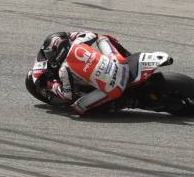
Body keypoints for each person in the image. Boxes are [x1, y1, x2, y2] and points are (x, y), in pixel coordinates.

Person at [27, 31, 168, 115]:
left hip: (113, 87)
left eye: (51, 54)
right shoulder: (80, 42)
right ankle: (127, 56)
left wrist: (52, 86)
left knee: (78, 107)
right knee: (103, 37)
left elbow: (66, 95)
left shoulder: (64, 70)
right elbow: (92, 34)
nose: (50, 56)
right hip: (120, 65)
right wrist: (72, 35)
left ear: (58, 53)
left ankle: (131, 102)